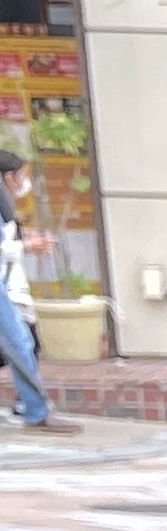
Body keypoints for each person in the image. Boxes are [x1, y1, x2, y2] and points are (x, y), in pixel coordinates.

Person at [0, 152, 55, 428]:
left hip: (7, 287)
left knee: (22, 343)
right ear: (8, 177)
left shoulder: (5, 203)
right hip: (5, 289)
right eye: (21, 175)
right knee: (20, 343)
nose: (24, 181)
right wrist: (27, 245)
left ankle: (33, 409)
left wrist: (27, 241)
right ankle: (34, 410)